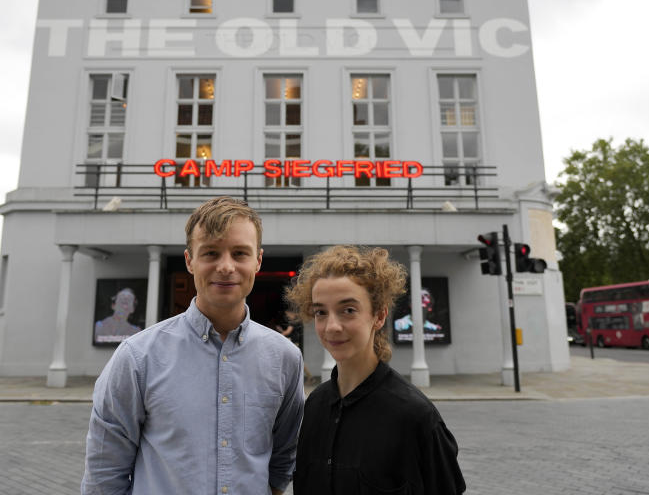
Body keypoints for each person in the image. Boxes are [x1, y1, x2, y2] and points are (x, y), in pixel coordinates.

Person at [82, 196, 305, 495]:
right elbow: (104, 472)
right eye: (211, 253)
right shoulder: (138, 357)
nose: (226, 267)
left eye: (240, 253)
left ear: (258, 260)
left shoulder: (286, 358)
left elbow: (283, 458)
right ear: (189, 260)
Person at [286, 245, 466, 494]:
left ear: (379, 316)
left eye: (348, 310)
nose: (331, 327)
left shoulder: (415, 416)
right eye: (321, 312)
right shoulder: (315, 404)